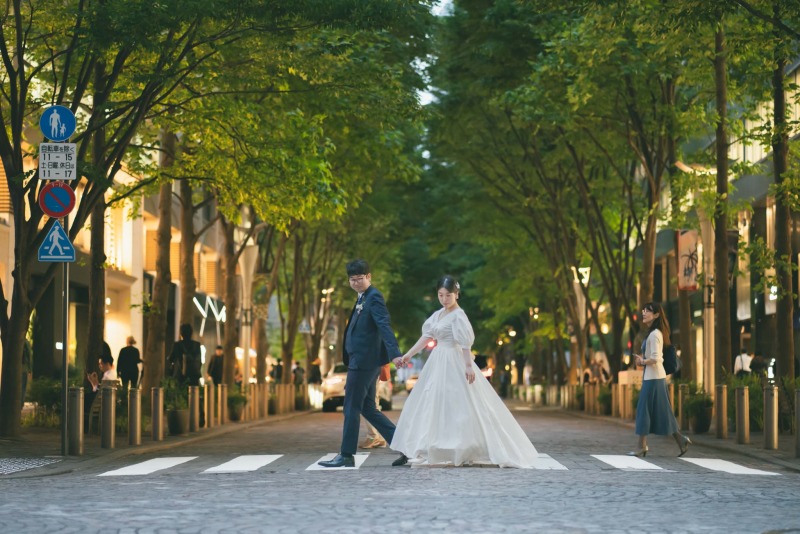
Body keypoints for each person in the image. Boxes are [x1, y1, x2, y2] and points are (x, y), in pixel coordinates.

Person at [391, 275, 540, 468]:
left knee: (460, 401)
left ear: (456, 294)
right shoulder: (438, 315)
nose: (444, 299)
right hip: (437, 361)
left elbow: (465, 343)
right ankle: (431, 445)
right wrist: (408, 355)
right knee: (432, 401)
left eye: (448, 295)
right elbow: (426, 336)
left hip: (454, 360)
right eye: (441, 295)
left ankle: (463, 445)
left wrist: (468, 366)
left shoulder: (458, 316)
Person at [318, 259, 405, 468]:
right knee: (367, 408)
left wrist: (394, 354)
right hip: (361, 360)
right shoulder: (362, 298)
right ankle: (405, 446)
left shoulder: (374, 297)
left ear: (369, 277)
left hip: (365, 361)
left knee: (350, 407)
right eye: (352, 279)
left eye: (360, 279)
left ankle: (346, 454)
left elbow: (384, 325)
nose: (356, 283)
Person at [629, 302, 691, 458]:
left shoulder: (655, 334)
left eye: (648, 311)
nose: (644, 313)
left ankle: (641, 446)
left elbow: (656, 358)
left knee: (644, 411)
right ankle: (681, 440)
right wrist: (643, 360)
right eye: (644, 310)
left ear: (656, 315)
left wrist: (642, 361)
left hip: (654, 379)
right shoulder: (653, 333)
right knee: (663, 413)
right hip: (654, 378)